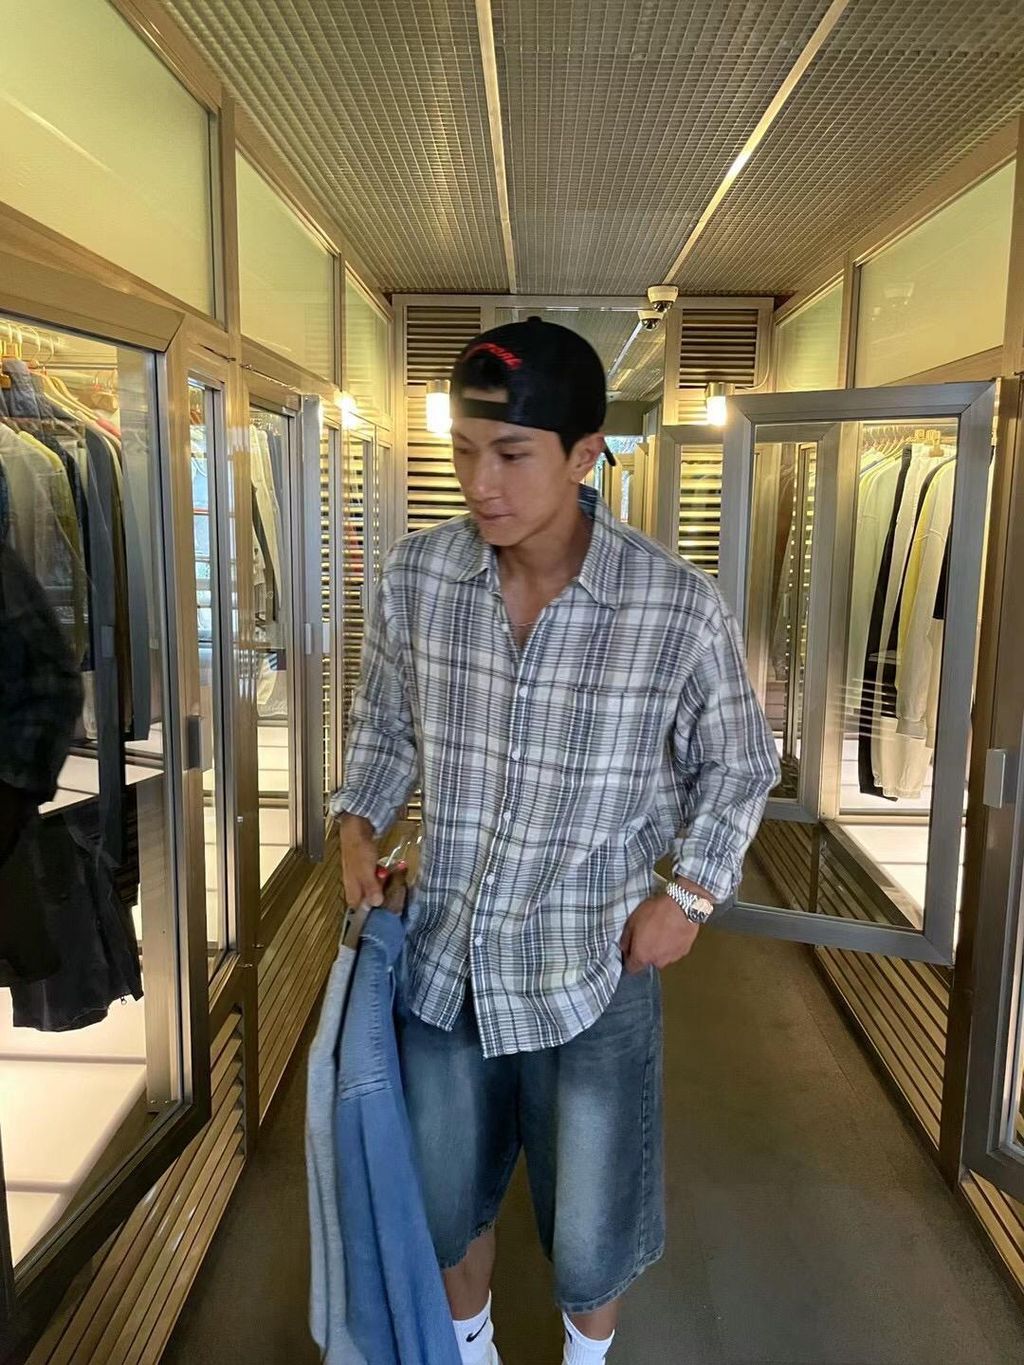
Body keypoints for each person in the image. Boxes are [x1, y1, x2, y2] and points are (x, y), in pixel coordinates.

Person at [335, 318, 779, 1365]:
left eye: (510, 453)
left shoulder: (671, 606)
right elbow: (384, 727)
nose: (478, 483)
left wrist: (691, 897)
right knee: (444, 1205)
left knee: (592, 1228)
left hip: (594, 963)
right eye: (461, 451)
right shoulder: (416, 579)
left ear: (584, 457)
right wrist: (357, 822)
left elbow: (739, 762)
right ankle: (470, 1348)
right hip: (444, 958)